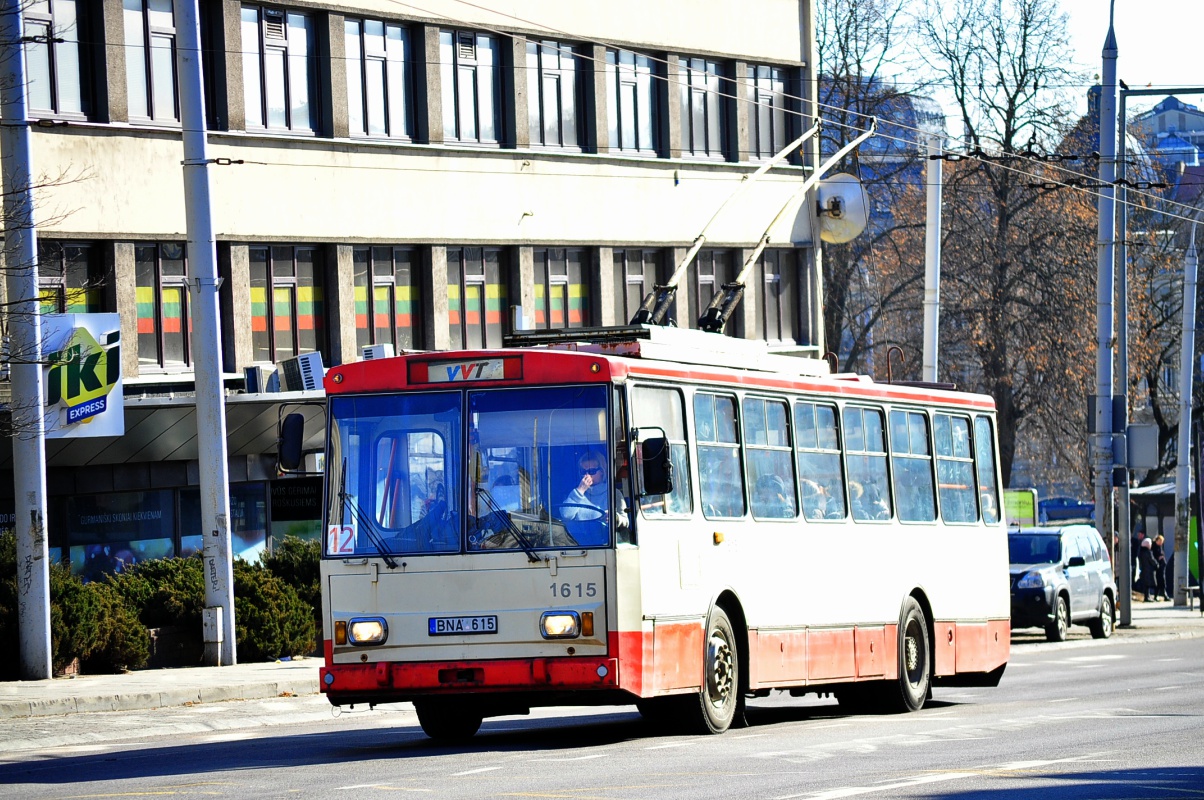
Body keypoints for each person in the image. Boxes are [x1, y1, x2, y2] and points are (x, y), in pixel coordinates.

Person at [561, 450, 608, 522]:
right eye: (583, 471)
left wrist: (615, 518)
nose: (587, 475)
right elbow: (565, 515)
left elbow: (624, 520)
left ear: (601, 472)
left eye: (591, 471)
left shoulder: (612, 492)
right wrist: (580, 490)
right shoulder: (576, 494)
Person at [1138, 536, 1157, 602]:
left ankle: (1147, 596)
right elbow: (1152, 560)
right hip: (1149, 570)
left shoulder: (1141, 552)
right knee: (1148, 584)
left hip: (1143, 569)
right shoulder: (1148, 552)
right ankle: (1148, 597)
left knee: (1146, 585)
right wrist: (1156, 565)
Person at [1152, 534, 1169, 601]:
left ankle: (1160, 595)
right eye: (1160, 541)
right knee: (1159, 581)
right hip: (1158, 566)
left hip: (1161, 566)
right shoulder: (1154, 547)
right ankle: (1162, 595)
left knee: (1161, 581)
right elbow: (1154, 556)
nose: (1161, 543)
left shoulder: (1159, 547)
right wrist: (1159, 558)